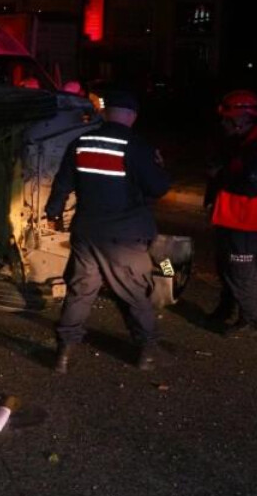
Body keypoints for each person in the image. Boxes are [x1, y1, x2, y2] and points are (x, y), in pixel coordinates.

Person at [44, 88, 170, 374]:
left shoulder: (80, 142)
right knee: (135, 293)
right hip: (125, 236)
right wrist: (160, 167)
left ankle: (63, 354)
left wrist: (53, 213)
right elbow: (158, 187)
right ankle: (148, 351)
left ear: (105, 111)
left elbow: (62, 184)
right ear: (133, 117)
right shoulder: (136, 146)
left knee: (80, 291)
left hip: (87, 232)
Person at [204, 90, 257, 338]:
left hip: (245, 220)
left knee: (242, 270)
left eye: (227, 118)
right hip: (229, 216)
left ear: (242, 118)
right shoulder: (240, 140)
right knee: (225, 264)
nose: (223, 123)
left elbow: (253, 185)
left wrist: (221, 177)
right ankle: (227, 308)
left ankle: (251, 320)